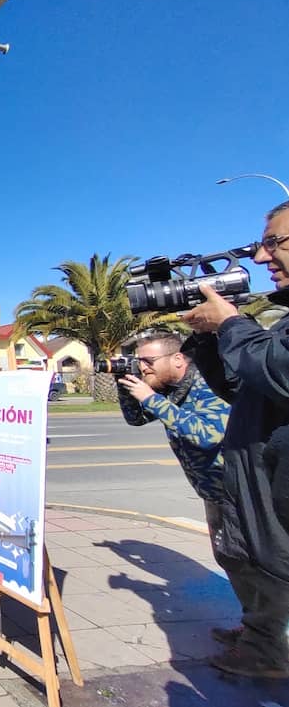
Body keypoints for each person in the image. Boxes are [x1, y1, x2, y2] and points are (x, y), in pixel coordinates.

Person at [182, 200, 289, 679]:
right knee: (255, 570)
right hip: (259, 501)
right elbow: (247, 386)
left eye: (274, 243)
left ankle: (269, 649)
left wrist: (229, 323)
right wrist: (210, 337)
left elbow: (279, 372)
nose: (262, 260)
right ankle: (262, 641)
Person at [115, 333, 230, 550]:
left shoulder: (208, 385)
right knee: (229, 559)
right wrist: (125, 385)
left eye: (149, 361)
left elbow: (208, 436)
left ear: (177, 359)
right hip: (213, 494)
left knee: (252, 566)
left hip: (240, 495)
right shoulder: (170, 391)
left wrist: (151, 399)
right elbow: (136, 419)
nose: (144, 368)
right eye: (139, 362)